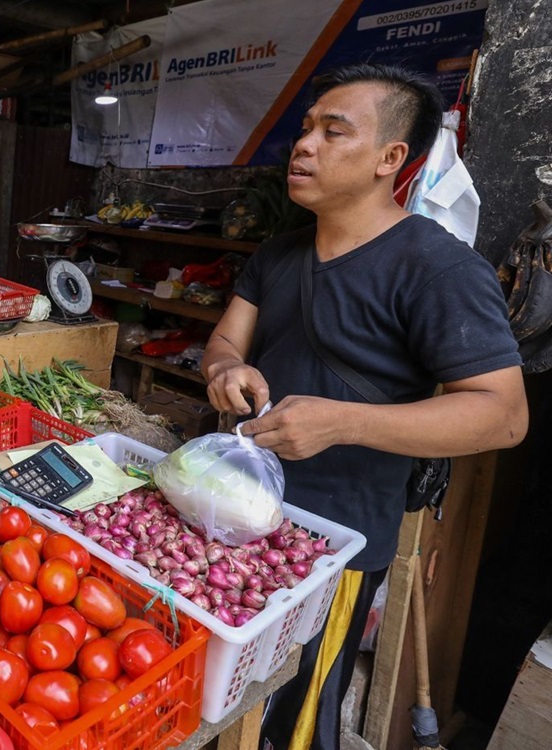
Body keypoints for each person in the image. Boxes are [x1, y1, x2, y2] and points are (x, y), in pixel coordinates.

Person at [200, 63, 527, 750]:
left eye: (333, 131)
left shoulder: (438, 269)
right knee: (219, 697)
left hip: (331, 546)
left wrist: (343, 422)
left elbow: (503, 414)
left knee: (296, 711)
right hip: (231, 513)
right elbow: (227, 338)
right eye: (307, 128)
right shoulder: (279, 253)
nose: (305, 144)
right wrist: (226, 369)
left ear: (390, 159)